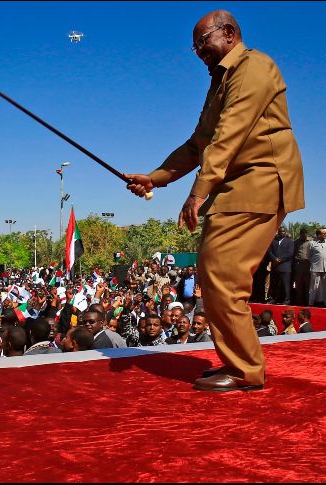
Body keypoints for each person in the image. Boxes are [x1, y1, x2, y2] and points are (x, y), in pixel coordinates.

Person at [125, 10, 305, 392]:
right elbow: (198, 144)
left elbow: (229, 134)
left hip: (260, 181)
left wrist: (197, 192)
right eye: (194, 46)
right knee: (214, 274)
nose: (197, 52)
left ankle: (245, 371)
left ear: (229, 33)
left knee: (223, 276)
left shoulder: (254, 66)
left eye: (202, 42)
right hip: (237, 185)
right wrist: (155, 177)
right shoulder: (220, 81)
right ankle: (237, 363)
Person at [267, 227, 295, 305]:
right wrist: (274, 259)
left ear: (285, 232)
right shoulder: (273, 241)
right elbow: (269, 252)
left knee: (286, 285)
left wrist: (280, 259)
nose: (282, 232)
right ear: (278, 232)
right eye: (280, 231)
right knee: (274, 284)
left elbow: (290, 253)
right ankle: (273, 299)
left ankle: (286, 300)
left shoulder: (290, 242)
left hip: (285, 267)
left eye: (283, 231)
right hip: (275, 266)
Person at [292, 228, 311, 306]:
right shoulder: (296, 242)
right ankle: (298, 302)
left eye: (305, 234)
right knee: (298, 284)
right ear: (300, 234)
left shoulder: (311, 241)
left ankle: (308, 302)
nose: (304, 236)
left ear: (307, 234)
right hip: (299, 265)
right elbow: (293, 253)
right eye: (302, 234)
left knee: (308, 284)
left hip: (308, 265)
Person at [308, 228, 326, 307]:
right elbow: (309, 256)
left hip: (325, 269)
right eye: (323, 233)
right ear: (318, 235)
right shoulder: (312, 243)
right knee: (313, 287)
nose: (325, 234)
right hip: (315, 268)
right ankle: (311, 304)